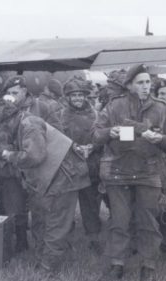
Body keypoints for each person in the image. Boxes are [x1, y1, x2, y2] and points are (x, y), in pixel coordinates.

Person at [92, 64, 166, 281]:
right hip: (118, 170)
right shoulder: (114, 106)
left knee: (148, 221)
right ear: (130, 86)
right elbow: (95, 134)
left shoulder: (162, 108)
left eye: (148, 82)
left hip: (149, 170)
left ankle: (148, 266)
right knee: (119, 221)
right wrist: (108, 132)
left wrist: (160, 140)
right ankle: (117, 264)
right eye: (140, 83)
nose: (145, 86)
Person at [0, 95, 90, 272]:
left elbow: (35, 156)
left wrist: (10, 156)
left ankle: (48, 267)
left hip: (66, 176)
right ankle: (44, 257)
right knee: (41, 219)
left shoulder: (29, 124)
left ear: (9, 119)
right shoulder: (20, 125)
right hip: (52, 176)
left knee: (56, 223)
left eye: (2, 125)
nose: (2, 130)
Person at [0, 75, 63, 253]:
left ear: (25, 91)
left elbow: (57, 133)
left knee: (40, 208)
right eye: (8, 93)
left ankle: (44, 247)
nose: (11, 96)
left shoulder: (41, 107)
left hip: (37, 166)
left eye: (15, 92)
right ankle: (19, 242)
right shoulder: (2, 110)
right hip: (11, 166)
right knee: (13, 205)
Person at [61, 77, 102, 253]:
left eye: (80, 95)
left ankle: (94, 239)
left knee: (91, 205)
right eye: (73, 95)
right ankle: (65, 240)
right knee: (66, 206)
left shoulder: (95, 114)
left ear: (85, 96)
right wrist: (73, 147)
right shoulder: (62, 115)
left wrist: (93, 146)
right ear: (68, 98)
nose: (77, 98)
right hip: (69, 167)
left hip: (90, 166)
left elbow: (102, 136)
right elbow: (57, 138)